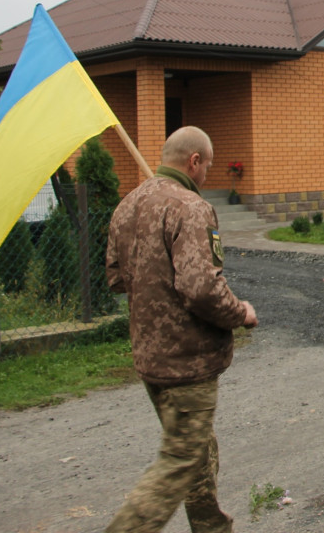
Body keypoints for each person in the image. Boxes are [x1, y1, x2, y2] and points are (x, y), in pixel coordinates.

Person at [104, 126, 258, 533]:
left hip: (149, 355)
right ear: (194, 161)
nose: (208, 174)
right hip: (187, 360)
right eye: (207, 165)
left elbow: (117, 279)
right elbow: (201, 287)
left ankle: (210, 526)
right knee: (181, 459)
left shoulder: (127, 205)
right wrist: (239, 312)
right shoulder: (191, 207)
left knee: (197, 450)